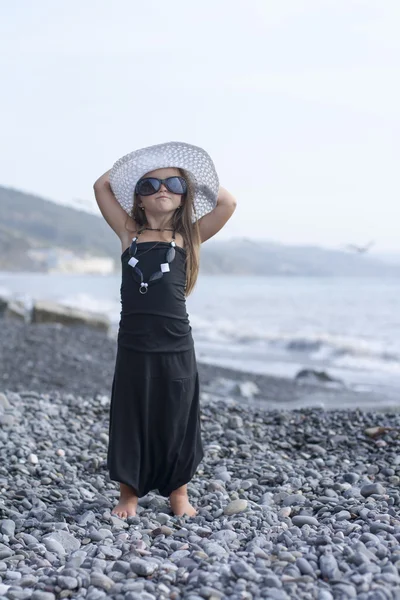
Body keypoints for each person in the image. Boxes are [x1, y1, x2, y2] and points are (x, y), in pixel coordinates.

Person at [93, 141, 236, 519]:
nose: (161, 190)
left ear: (184, 195)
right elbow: (101, 186)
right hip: (135, 344)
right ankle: (129, 496)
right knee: (131, 413)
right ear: (137, 198)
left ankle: (179, 495)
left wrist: (193, 176)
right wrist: (144, 162)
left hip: (175, 345)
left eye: (173, 184)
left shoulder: (188, 237)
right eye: (149, 185)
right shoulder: (129, 234)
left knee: (177, 415)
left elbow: (228, 203)